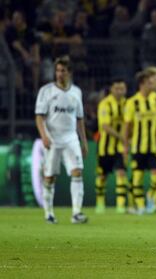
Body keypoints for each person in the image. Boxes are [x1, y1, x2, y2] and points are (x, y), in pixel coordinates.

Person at [35, 55, 88, 224]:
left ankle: (76, 213)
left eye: (63, 71)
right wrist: (44, 136)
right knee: (50, 177)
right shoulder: (46, 91)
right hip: (52, 139)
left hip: (71, 138)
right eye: (57, 70)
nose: (59, 74)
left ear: (69, 72)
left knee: (77, 172)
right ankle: (49, 212)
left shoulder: (76, 92)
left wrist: (83, 142)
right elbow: (39, 116)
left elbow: (79, 119)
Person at [123, 67, 156, 215]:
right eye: (152, 82)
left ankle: (151, 198)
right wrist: (125, 145)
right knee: (137, 176)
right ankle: (138, 205)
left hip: (155, 146)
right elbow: (127, 126)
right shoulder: (132, 102)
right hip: (138, 147)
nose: (155, 85)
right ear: (143, 83)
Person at [95, 78, 128, 214]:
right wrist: (123, 137)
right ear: (111, 89)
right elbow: (105, 126)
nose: (120, 91)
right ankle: (100, 202)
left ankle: (120, 205)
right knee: (103, 175)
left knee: (121, 173)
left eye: (122, 88)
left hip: (120, 147)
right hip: (105, 146)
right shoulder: (105, 104)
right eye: (117, 88)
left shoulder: (128, 104)